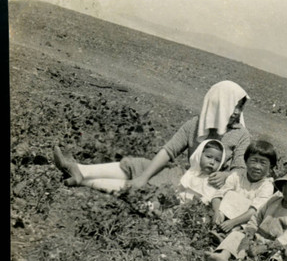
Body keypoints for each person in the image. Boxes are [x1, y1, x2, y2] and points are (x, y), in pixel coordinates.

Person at [53, 80, 251, 192]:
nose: (237, 112)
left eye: (240, 107)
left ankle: (84, 180)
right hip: (188, 176)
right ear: (220, 103)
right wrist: (146, 174)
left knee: (153, 187)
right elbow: (169, 151)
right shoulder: (196, 124)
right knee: (141, 166)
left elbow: (241, 170)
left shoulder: (241, 135)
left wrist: (225, 175)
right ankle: (80, 170)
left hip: (209, 190)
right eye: (234, 105)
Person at [204, 158, 287, 261]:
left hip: (273, 246)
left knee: (282, 255)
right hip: (257, 238)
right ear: (283, 186)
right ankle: (224, 256)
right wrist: (250, 233)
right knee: (238, 235)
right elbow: (257, 217)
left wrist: (263, 248)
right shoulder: (274, 200)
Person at [211, 140, 277, 233]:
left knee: (242, 229)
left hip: (244, 220)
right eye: (253, 161)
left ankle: (229, 236)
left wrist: (232, 222)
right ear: (246, 161)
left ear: (271, 167)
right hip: (226, 212)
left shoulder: (267, 186)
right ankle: (216, 227)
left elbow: (254, 211)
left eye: (263, 163)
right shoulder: (237, 175)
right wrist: (217, 212)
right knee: (216, 215)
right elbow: (219, 194)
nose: (257, 166)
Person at [176, 139, 225, 204]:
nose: (212, 162)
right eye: (209, 157)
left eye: (217, 160)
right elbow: (180, 190)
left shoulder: (214, 181)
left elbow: (212, 199)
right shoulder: (191, 173)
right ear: (199, 155)